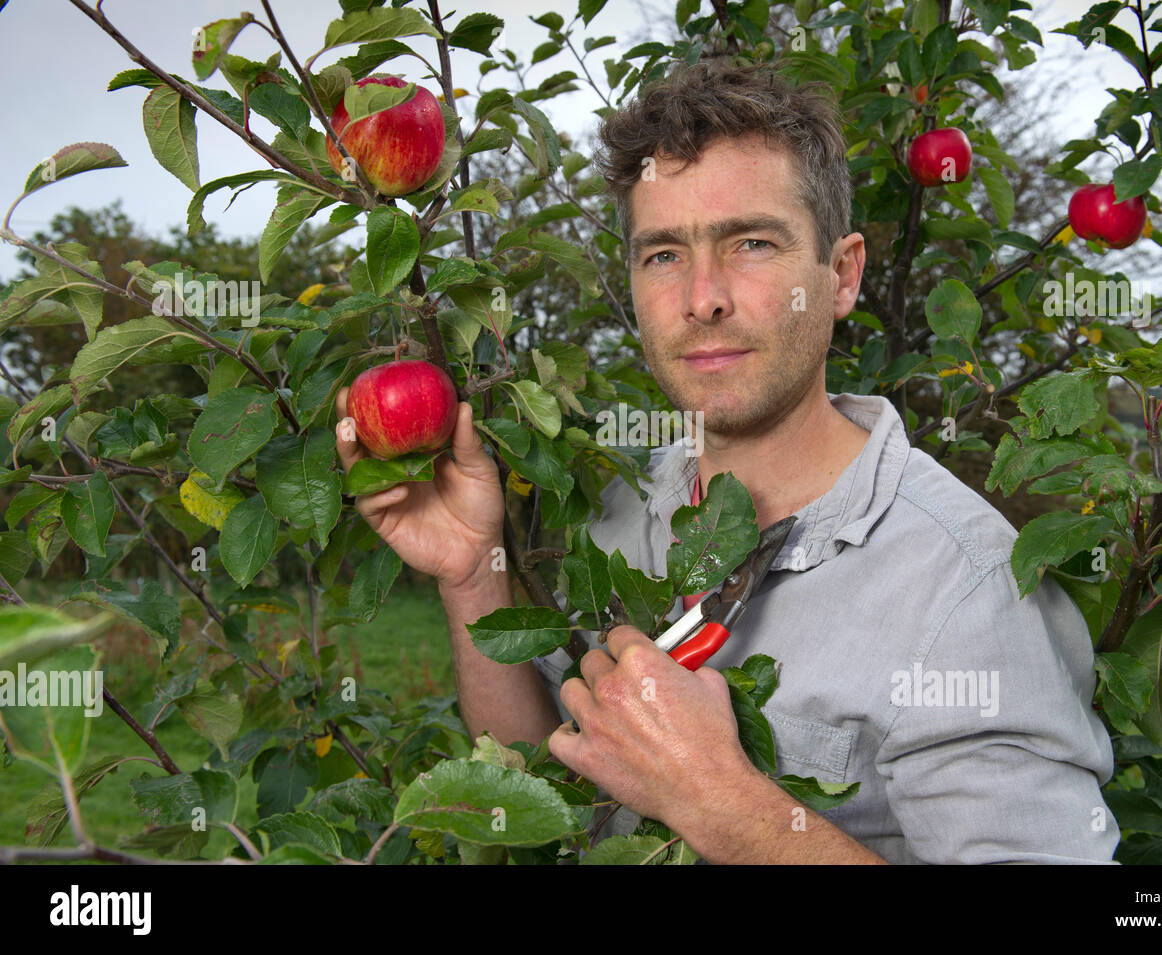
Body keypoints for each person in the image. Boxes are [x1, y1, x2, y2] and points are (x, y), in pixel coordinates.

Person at [335, 58, 1119, 864]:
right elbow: (545, 789)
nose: (702, 296)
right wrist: (472, 575)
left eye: (751, 242)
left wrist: (721, 803)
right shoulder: (618, 505)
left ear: (842, 274)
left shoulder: (963, 591)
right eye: (664, 254)